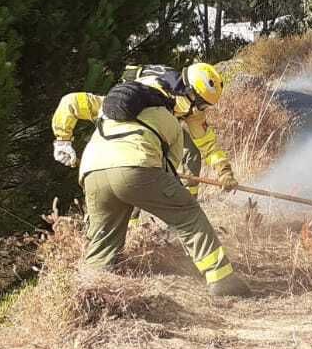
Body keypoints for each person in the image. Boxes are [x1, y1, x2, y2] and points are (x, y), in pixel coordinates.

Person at [51, 63, 248, 298]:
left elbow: (71, 101)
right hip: (136, 169)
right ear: (190, 93)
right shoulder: (168, 119)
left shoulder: (121, 99)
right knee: (189, 216)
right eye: (202, 104)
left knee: (102, 245)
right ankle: (222, 280)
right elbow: (168, 169)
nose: (201, 111)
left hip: (92, 172)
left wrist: (62, 140)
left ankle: (91, 297)